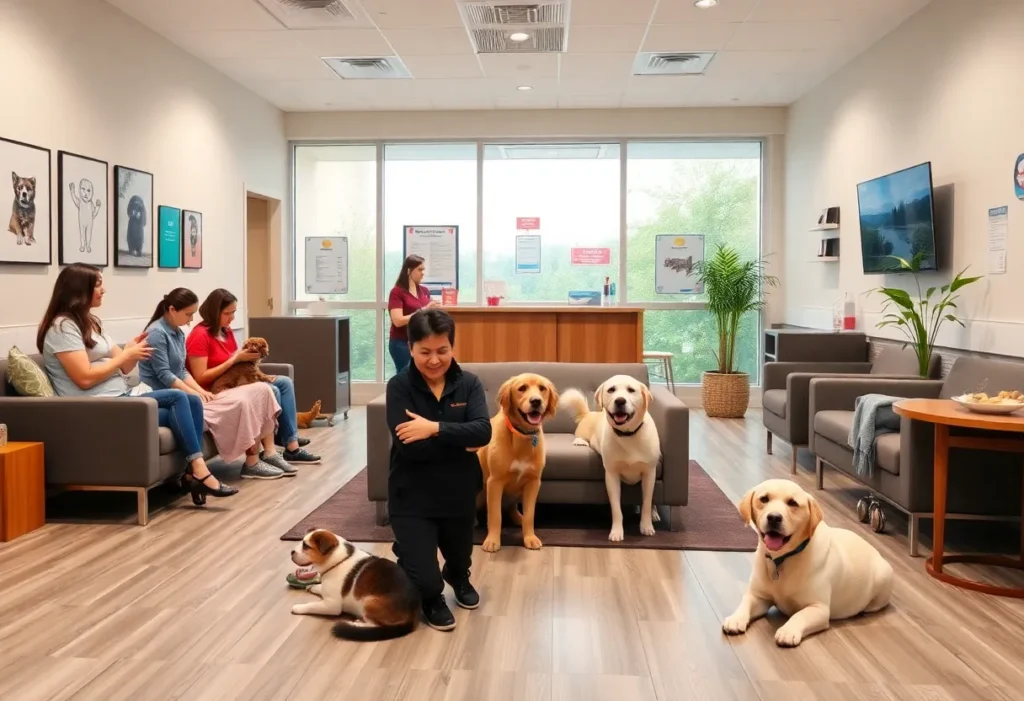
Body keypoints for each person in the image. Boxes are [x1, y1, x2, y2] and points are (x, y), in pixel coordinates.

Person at [36, 264, 238, 504]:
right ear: (80, 289)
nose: (104, 289)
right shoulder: (62, 327)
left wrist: (129, 352)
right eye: (98, 284)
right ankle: (200, 471)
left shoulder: (91, 322)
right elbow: (84, 377)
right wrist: (123, 355)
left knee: (192, 400)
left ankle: (191, 473)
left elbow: (123, 367)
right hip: (96, 406)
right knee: (178, 397)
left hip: (121, 397)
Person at [385, 309, 491, 631]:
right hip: (412, 497)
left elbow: (483, 432)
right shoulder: (399, 387)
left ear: (452, 348)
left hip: (457, 493)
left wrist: (434, 428)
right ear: (411, 348)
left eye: (442, 351)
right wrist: (461, 440)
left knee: (459, 560)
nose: (434, 360)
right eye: (425, 352)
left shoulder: (469, 384)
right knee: (427, 582)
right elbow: (409, 447)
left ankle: (457, 577)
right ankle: (431, 593)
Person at [141, 287, 294, 480]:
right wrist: (196, 392)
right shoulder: (157, 333)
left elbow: (181, 370)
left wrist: (197, 392)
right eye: (188, 315)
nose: (190, 320)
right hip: (166, 394)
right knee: (244, 401)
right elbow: (165, 375)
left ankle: (273, 451)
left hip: (194, 390)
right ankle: (252, 460)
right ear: (172, 310)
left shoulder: (178, 333)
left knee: (263, 390)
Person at [186, 289, 320, 468]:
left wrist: (255, 370)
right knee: (270, 389)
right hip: (216, 388)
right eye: (227, 313)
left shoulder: (226, 332)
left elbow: (239, 365)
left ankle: (291, 445)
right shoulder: (199, 336)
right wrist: (235, 359)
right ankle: (270, 451)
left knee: (284, 382)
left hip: (237, 381)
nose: (232, 318)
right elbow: (200, 378)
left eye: (234, 312)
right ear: (214, 312)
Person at [387, 254, 438, 374]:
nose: (423, 273)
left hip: (421, 342)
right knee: (405, 376)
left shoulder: (424, 291)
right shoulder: (397, 292)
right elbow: (398, 321)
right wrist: (424, 310)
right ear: (409, 271)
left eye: (423, 270)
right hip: (401, 343)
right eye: (420, 269)